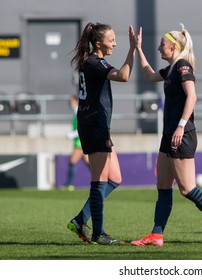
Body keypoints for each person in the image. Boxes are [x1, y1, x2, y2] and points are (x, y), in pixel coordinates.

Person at [131, 24, 202, 246]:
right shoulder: (171, 68)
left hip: (182, 133)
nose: (159, 48)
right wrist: (137, 48)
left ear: (174, 46)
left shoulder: (183, 66)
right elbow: (150, 76)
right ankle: (156, 235)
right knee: (162, 184)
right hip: (168, 134)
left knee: (187, 189)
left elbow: (192, 97)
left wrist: (180, 126)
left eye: (162, 44)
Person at [66, 22, 136, 245]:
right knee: (99, 181)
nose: (115, 42)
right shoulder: (96, 63)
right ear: (98, 43)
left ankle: (80, 220)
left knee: (114, 178)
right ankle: (99, 234)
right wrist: (133, 49)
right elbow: (124, 76)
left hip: (96, 124)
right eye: (111, 39)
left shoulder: (92, 61)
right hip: (94, 125)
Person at [64, 95, 89, 190]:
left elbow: (83, 128)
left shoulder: (80, 112)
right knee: (89, 163)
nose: (70, 104)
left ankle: (69, 184)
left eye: (72, 102)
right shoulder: (75, 114)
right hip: (80, 142)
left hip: (80, 143)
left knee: (72, 161)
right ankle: (101, 181)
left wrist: (72, 134)